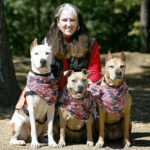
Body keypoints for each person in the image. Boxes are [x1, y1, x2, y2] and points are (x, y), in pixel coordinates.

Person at [16, 3, 101, 113]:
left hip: (81, 92)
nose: (68, 24)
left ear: (78, 22)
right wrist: (55, 94)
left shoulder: (90, 43)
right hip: (53, 93)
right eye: (64, 20)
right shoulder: (47, 43)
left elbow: (95, 72)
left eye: (73, 20)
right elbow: (39, 72)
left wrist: (82, 91)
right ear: (58, 22)